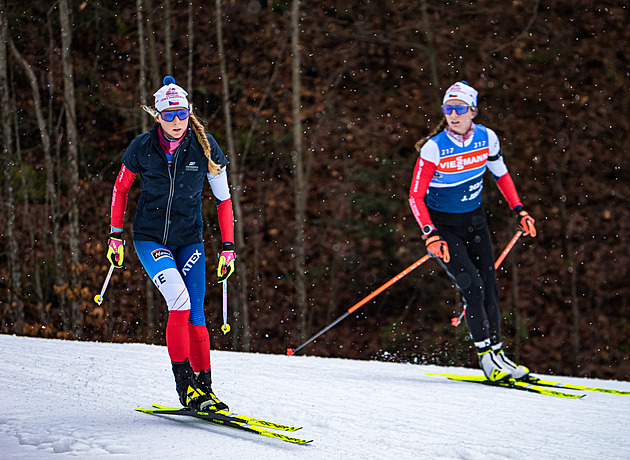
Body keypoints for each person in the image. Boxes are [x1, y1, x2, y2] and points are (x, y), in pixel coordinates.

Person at [106, 76, 237, 410]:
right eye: (169, 115)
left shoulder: (205, 146)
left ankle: (204, 387)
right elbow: (121, 189)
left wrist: (228, 247)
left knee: (196, 314)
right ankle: (185, 387)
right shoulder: (142, 147)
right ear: (158, 117)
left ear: (188, 112)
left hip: (189, 240)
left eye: (181, 114)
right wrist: (115, 235)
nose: (176, 122)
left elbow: (223, 201)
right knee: (178, 302)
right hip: (150, 239)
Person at [408, 81, 536, 382]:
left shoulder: (487, 138)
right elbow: (415, 196)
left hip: (475, 221)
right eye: (448, 109)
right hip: (444, 229)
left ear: (472, 111)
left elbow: (501, 175)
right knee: (473, 288)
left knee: (489, 286)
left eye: (460, 109)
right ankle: (486, 359)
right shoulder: (434, 147)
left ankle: (499, 354)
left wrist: (520, 209)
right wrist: (430, 233)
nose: (453, 115)